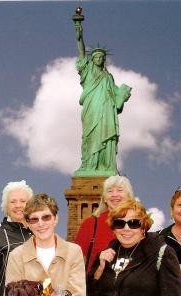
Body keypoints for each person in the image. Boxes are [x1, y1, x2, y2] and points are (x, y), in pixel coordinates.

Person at [74, 16, 132, 176]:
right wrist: (78, 29)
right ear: (91, 59)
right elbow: (80, 51)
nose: (98, 59)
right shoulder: (87, 70)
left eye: (101, 57)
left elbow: (116, 96)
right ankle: (88, 165)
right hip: (91, 108)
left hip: (106, 111)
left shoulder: (108, 77)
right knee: (89, 136)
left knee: (105, 136)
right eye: (95, 57)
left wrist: (123, 95)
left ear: (104, 60)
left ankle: (106, 165)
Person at [75, 175, 135, 272]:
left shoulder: (138, 223)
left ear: (129, 196)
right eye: (110, 191)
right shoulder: (90, 224)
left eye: (120, 190)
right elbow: (74, 260)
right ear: (104, 198)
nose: (115, 195)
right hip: (96, 284)